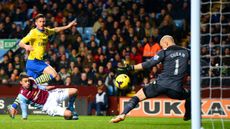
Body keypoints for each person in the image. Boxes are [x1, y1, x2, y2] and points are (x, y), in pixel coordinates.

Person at [8, 13, 77, 116]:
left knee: (29, 86)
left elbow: (56, 29)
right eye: (40, 22)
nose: (42, 23)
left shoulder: (45, 31)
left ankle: (13, 106)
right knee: (54, 74)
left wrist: (67, 26)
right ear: (36, 23)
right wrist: (26, 47)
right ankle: (37, 83)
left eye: (43, 21)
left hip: (36, 62)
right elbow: (20, 43)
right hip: (34, 61)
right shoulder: (33, 32)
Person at [110, 35, 191, 123]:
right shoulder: (187, 52)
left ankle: (123, 114)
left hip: (160, 84)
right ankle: (188, 114)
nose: (162, 47)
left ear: (166, 43)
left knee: (137, 97)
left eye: (162, 45)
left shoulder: (164, 52)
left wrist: (130, 68)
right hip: (176, 89)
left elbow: (149, 64)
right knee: (190, 96)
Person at [7, 73, 79, 120]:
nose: (28, 82)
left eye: (28, 80)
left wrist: (47, 85)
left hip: (51, 94)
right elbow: (24, 112)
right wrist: (24, 118)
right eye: (25, 81)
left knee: (75, 91)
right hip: (48, 106)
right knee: (69, 114)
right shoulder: (22, 95)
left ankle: (70, 107)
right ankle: (68, 115)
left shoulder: (32, 80)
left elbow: (40, 84)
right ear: (21, 82)